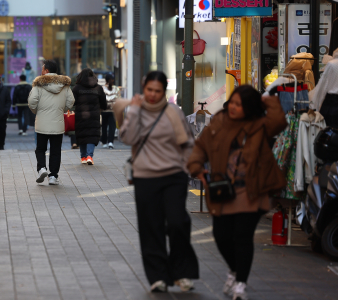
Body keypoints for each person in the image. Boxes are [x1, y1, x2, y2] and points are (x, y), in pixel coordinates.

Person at [187, 86, 287, 300]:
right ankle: (234, 270)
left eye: (240, 104)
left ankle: (240, 283)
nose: (233, 107)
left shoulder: (260, 125)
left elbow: (280, 120)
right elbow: (200, 147)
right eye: (232, 102)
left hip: (252, 190)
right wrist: (196, 167)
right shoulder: (218, 122)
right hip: (223, 189)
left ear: (250, 107)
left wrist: (266, 98)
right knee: (221, 236)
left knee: (242, 236)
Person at [114, 71, 198, 293]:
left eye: (157, 91)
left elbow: (188, 142)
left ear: (164, 92)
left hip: (173, 176)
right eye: (149, 90)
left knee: (178, 222)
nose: (152, 95)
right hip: (145, 177)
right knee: (151, 226)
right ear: (144, 87)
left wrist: (183, 166)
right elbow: (128, 138)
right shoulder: (136, 110)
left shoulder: (173, 112)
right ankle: (158, 276)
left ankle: (182, 272)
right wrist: (133, 111)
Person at [28, 60, 74, 185]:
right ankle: (53, 176)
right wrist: (61, 110)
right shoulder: (64, 85)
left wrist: (38, 111)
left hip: (42, 122)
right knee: (55, 150)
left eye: (42, 69)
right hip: (58, 123)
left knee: (40, 149)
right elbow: (71, 101)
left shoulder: (38, 85)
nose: (41, 72)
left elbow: (32, 102)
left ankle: (42, 168)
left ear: (47, 71)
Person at [72, 68, 106, 165]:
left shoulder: (77, 88)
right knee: (92, 135)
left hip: (81, 115)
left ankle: (83, 157)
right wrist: (102, 107)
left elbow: (72, 102)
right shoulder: (98, 88)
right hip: (94, 115)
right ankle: (89, 156)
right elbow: (103, 102)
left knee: (82, 134)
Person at [101, 74, 119, 149]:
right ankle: (110, 142)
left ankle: (104, 142)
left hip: (104, 110)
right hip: (113, 110)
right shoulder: (116, 88)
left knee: (104, 126)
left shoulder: (102, 88)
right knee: (112, 126)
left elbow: (100, 98)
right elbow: (118, 99)